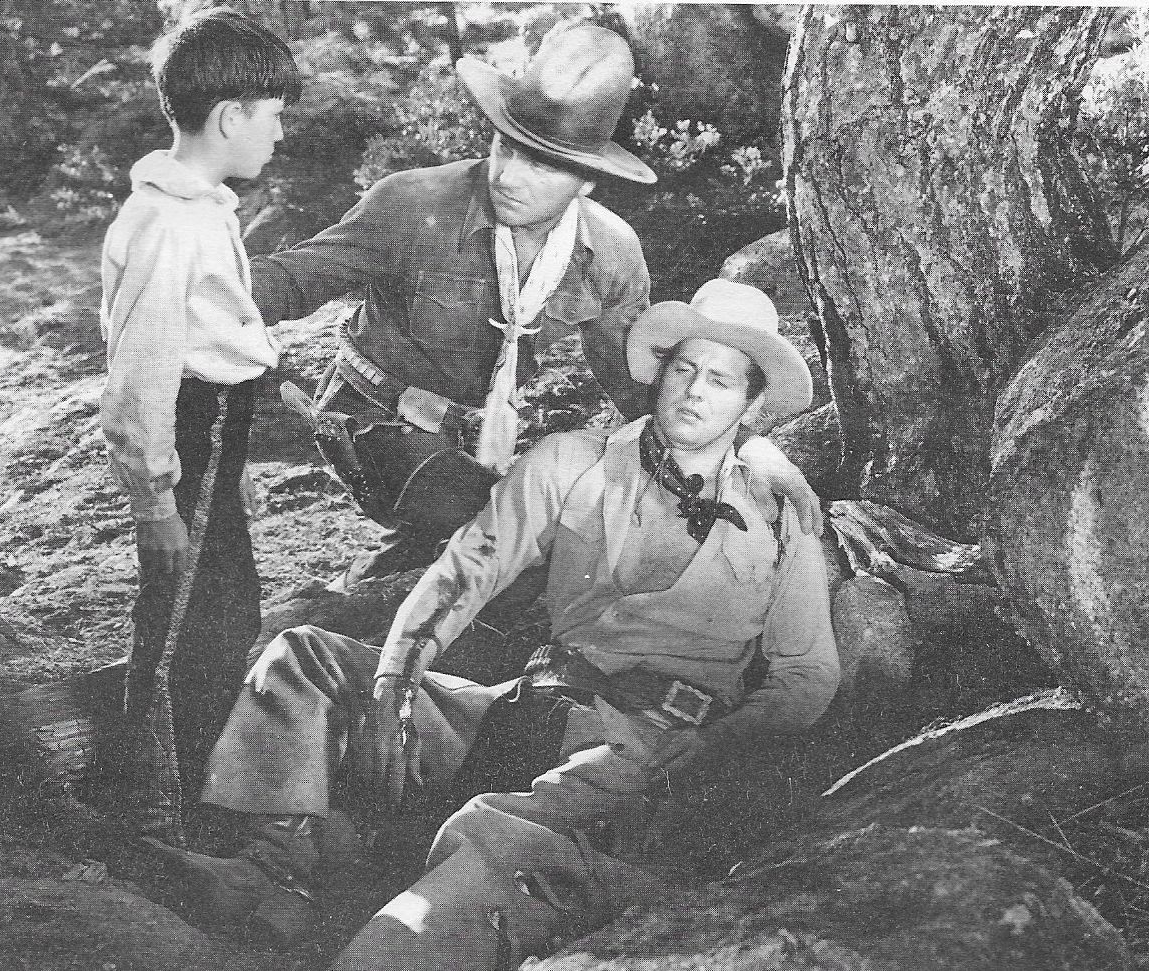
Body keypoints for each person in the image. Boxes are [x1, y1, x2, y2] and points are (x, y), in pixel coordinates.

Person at [149, 279, 840, 966]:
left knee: (468, 860)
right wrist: (396, 677)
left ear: (750, 404)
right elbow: (467, 567)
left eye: (719, 381)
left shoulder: (783, 519)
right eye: (683, 370)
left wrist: (719, 741)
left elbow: (805, 675)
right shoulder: (574, 462)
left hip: (643, 747)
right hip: (522, 704)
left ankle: (376, 941)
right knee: (306, 658)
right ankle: (276, 877)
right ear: (658, 377)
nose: (693, 391)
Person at [248, 22, 821, 585]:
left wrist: (748, 455)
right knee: (511, 530)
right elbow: (288, 282)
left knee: (511, 533)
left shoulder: (610, 255)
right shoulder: (414, 202)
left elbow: (635, 388)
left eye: (542, 163)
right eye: (505, 147)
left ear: (588, 180)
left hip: (478, 437)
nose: (508, 177)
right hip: (371, 417)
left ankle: (384, 582)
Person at [98, 8, 300, 842]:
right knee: (188, 620)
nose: (281, 134)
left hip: (217, 426)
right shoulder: (168, 222)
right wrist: (155, 500)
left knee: (229, 607)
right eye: (274, 115)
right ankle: (157, 817)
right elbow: (139, 374)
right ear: (228, 117)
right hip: (190, 428)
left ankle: (192, 796)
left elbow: (221, 326)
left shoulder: (199, 205)